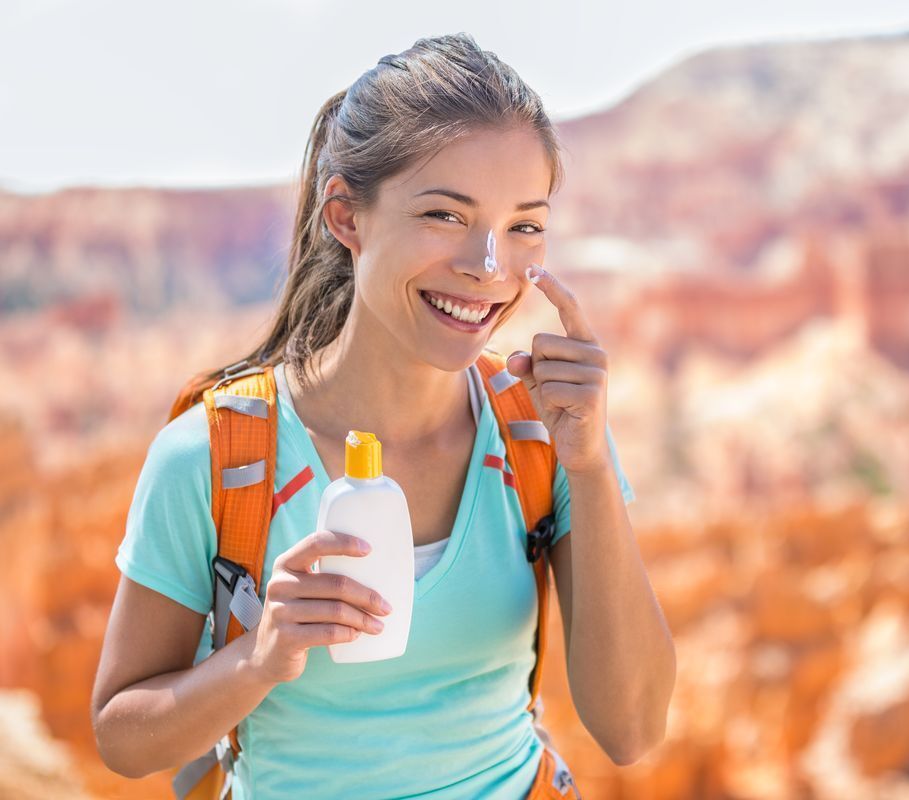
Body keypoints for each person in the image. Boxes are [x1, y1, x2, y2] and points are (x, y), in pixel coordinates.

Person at [90, 33, 676, 799]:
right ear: (346, 216)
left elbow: (630, 728)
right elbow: (122, 737)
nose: (488, 266)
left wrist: (591, 467)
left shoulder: (543, 433)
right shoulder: (210, 453)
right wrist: (259, 659)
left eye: (524, 225)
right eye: (444, 214)